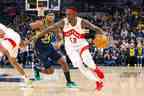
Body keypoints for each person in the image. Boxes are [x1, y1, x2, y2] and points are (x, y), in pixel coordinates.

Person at [30, 7, 105, 90]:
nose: (67, 16)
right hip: (55, 49)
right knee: (76, 66)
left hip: (77, 45)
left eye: (69, 14)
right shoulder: (50, 23)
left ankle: (92, 71)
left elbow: (95, 28)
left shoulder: (80, 22)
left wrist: (104, 34)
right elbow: (41, 28)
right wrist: (36, 36)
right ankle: (98, 81)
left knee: (80, 62)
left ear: (74, 15)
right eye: (67, 14)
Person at [30, 13, 78, 88]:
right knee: (50, 72)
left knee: (63, 62)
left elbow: (61, 39)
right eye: (50, 15)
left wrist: (59, 43)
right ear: (46, 16)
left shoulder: (55, 27)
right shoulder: (40, 23)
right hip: (40, 51)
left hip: (50, 48)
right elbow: (29, 26)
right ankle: (37, 69)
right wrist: (32, 35)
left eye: (53, 15)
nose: (51, 16)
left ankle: (69, 82)